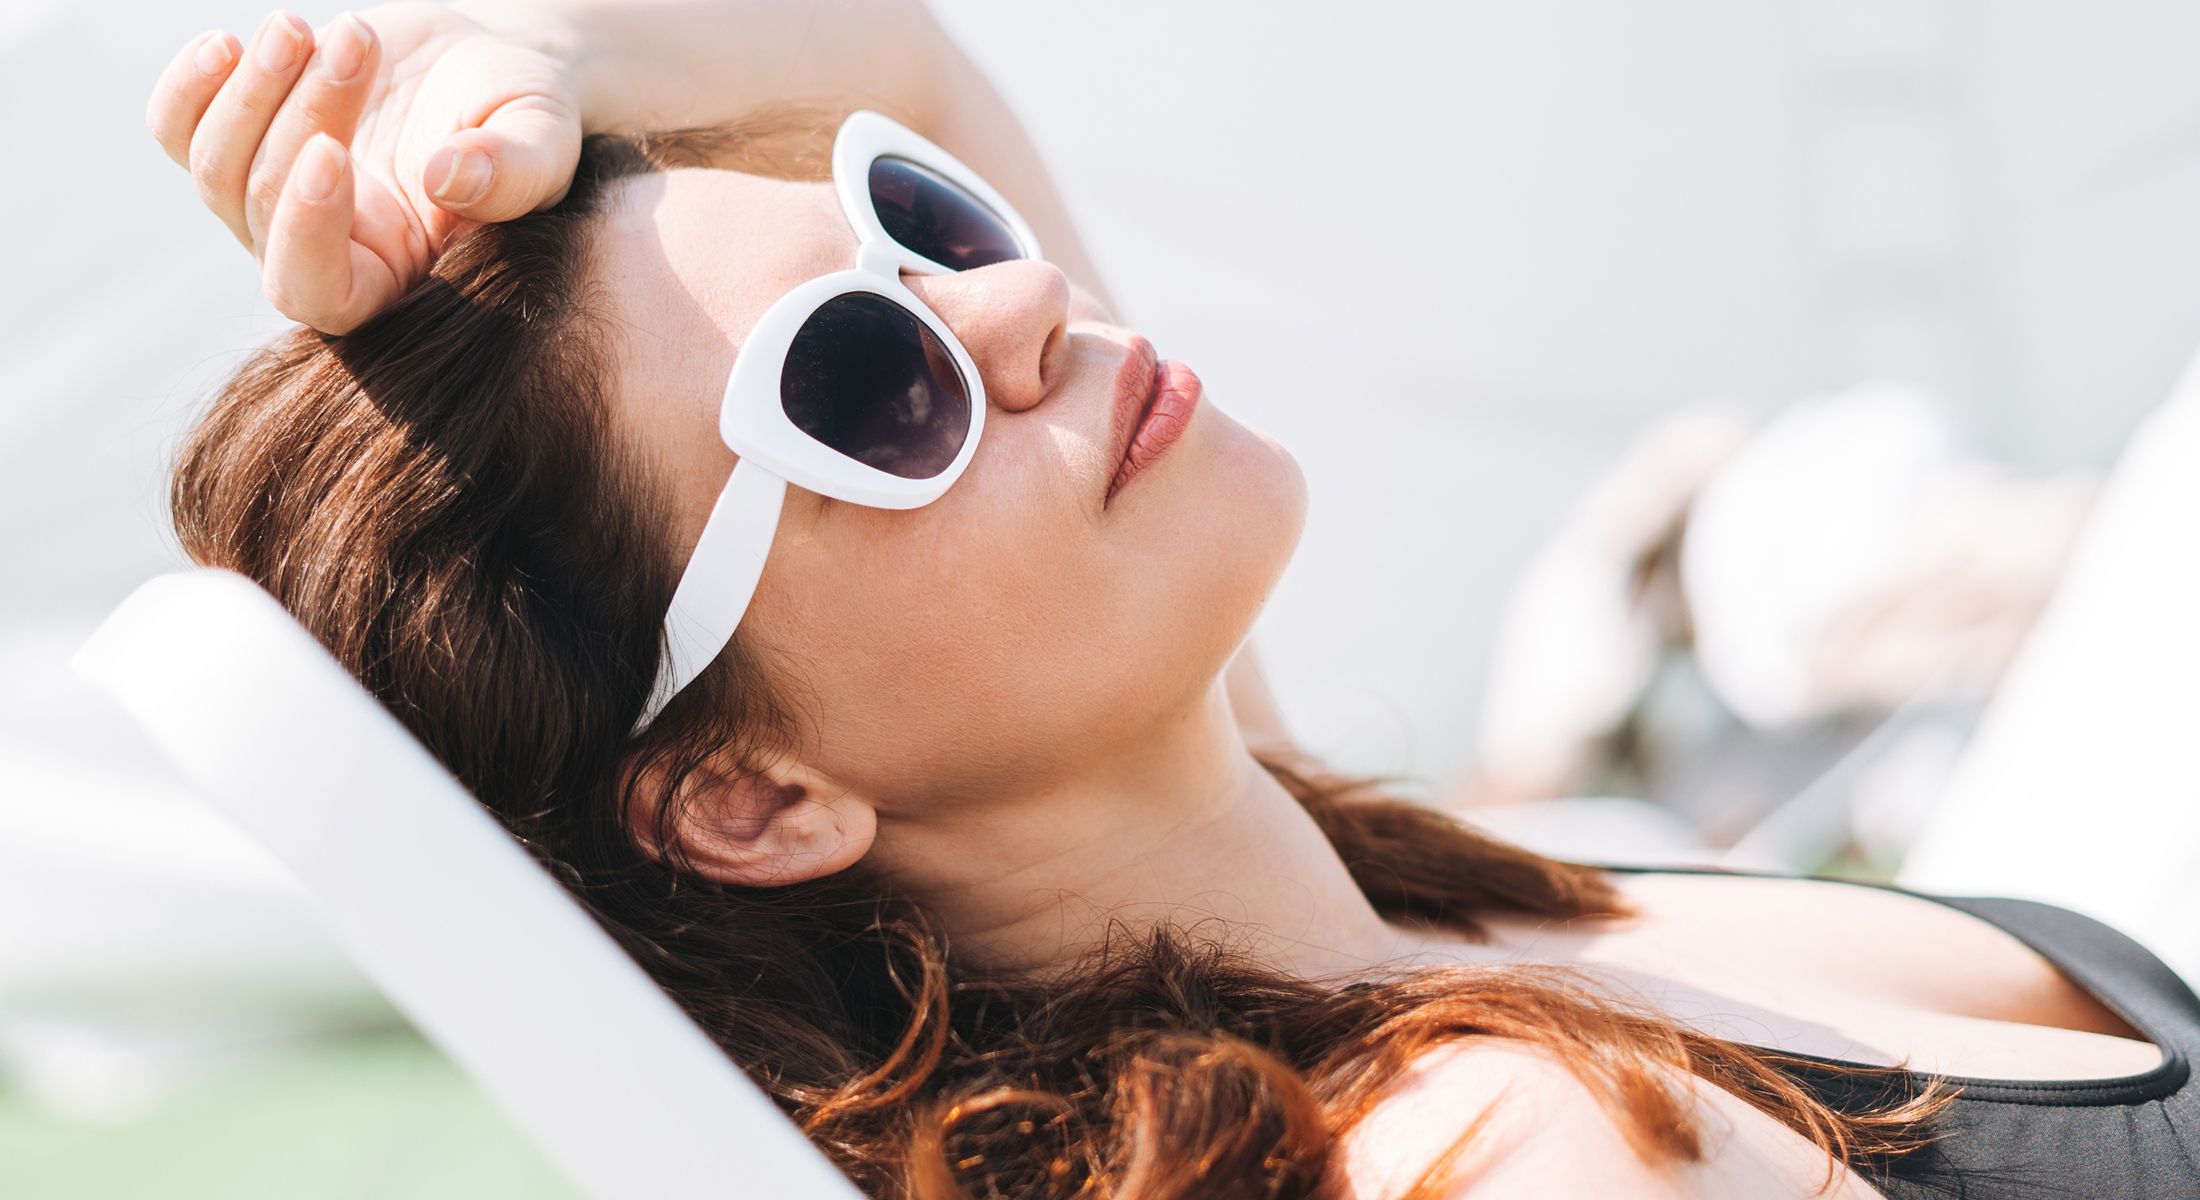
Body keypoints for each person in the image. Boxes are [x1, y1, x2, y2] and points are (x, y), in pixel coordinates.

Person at [144, 4, 2199, 1197]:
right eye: (870, 386)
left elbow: (896, 53)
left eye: (917, 234)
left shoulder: (1365, 912)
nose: (1030, 296)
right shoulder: (1506, 1150)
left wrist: (511, 72)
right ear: (751, 792)